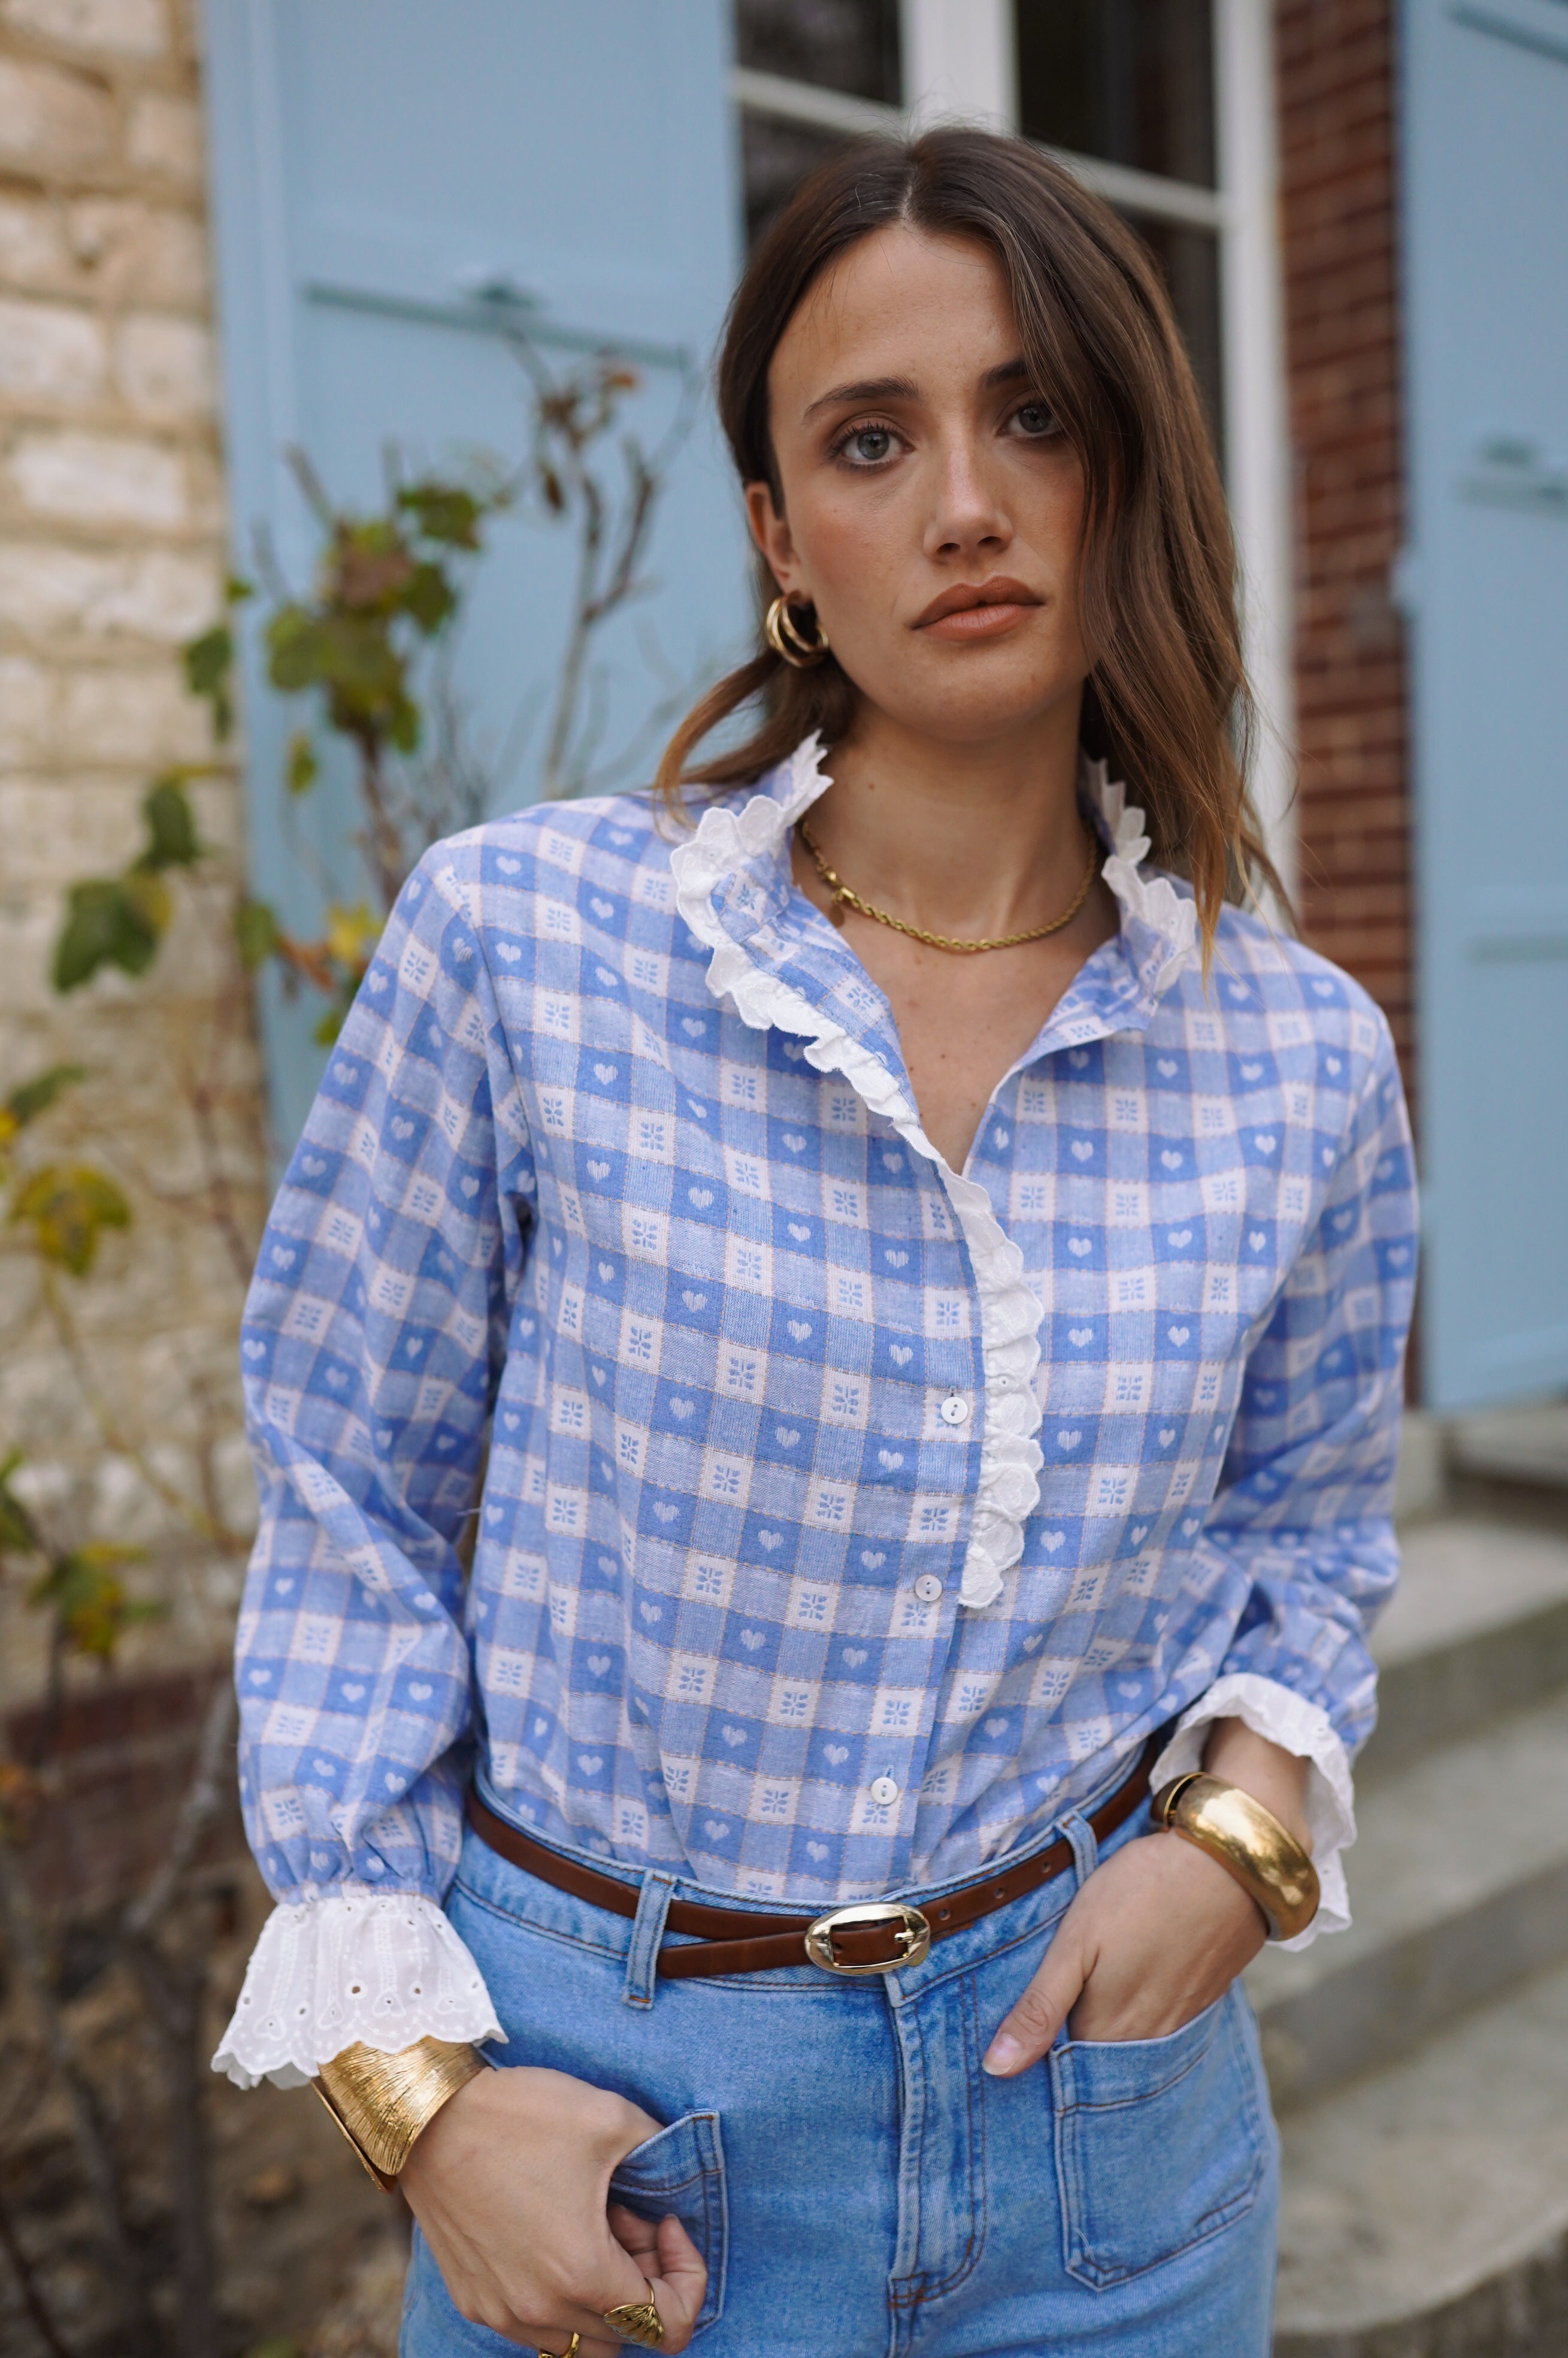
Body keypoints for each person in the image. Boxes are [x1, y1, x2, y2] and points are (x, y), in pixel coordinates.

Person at [214, 129, 1416, 2358]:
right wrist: (422, 2101)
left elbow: (1316, 1530)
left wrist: (1237, 1850)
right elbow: (348, 1503)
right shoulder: (527, 943)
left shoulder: (1301, 1059)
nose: (964, 503)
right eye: (872, 440)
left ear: (1126, 472)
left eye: (1033, 415)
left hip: (1107, 2152)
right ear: (781, 535)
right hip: (612, 2144)